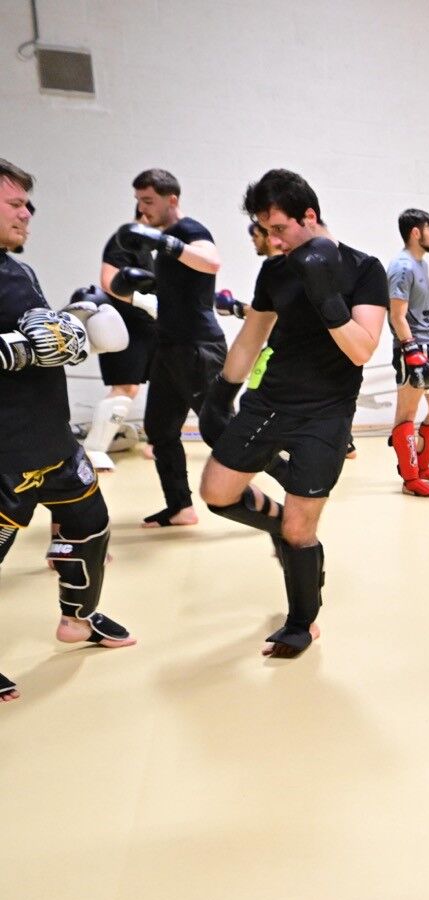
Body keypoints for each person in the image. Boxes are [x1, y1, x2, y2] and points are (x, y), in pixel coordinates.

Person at [196, 169, 387, 659]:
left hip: (326, 412)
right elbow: (251, 337)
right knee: (216, 492)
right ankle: (278, 524)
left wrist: (327, 298)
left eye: (279, 228)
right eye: (266, 230)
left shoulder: (364, 269)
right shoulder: (275, 272)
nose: (273, 241)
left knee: (301, 533)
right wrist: (222, 392)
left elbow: (362, 349)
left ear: (310, 216)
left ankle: (302, 621)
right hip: (270, 401)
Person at [0, 157, 139, 695]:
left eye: (28, 204)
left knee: (90, 527)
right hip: (4, 456)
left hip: (52, 441)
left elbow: (39, 341)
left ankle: (78, 620)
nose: (27, 213)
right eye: (15, 203)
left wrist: (69, 325)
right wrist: (13, 350)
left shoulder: (17, 270)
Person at [103, 169, 226, 528]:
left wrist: (164, 243)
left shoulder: (188, 230)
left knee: (221, 430)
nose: (142, 209)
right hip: (169, 345)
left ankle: (284, 488)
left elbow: (211, 261)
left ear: (171, 199)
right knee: (159, 430)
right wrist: (147, 286)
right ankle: (180, 507)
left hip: (198, 345)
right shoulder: (162, 243)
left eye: (148, 201)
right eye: (138, 201)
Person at [80, 216, 160, 471]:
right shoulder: (124, 241)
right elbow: (109, 280)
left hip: (148, 328)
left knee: (165, 384)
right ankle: (93, 449)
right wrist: (144, 301)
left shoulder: (149, 248)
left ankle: (157, 442)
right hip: (125, 328)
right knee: (126, 388)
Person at [386, 208, 429, 497]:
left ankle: (422, 468)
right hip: (412, 348)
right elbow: (396, 315)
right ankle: (410, 478)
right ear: (416, 232)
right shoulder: (401, 266)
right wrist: (411, 351)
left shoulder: (420, 264)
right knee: (407, 414)